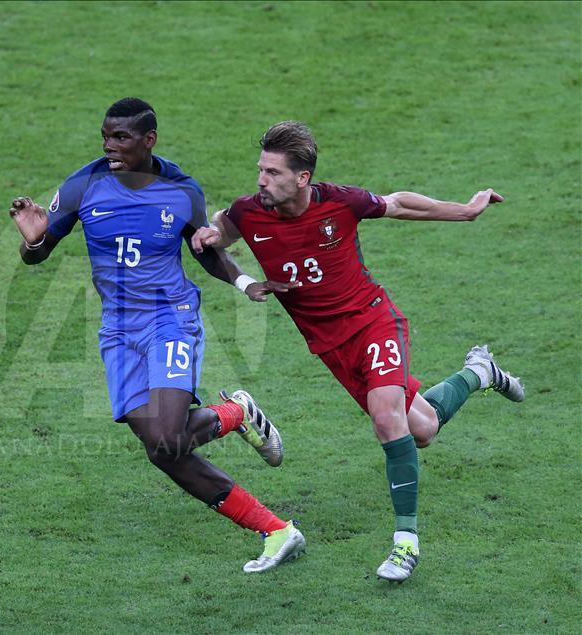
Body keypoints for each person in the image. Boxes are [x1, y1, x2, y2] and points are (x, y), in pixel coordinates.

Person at [191, 120, 525, 582]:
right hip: (330, 346)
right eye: (260, 170)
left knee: (387, 419)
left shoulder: (339, 201)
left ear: (302, 178)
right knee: (421, 429)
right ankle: (480, 372)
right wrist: (218, 251)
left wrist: (465, 211)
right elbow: (215, 238)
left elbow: (398, 204)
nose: (261, 180)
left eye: (272, 172)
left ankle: (405, 542)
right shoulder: (248, 213)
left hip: (373, 320)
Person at [8, 99, 305, 573]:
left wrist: (245, 282)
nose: (110, 146)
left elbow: (203, 249)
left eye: (121, 138)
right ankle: (275, 525)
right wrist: (34, 240)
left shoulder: (181, 189)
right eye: (106, 136)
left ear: (149, 141)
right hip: (117, 331)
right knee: (164, 452)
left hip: (169, 319)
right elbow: (37, 254)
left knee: (168, 437)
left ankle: (237, 421)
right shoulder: (83, 185)